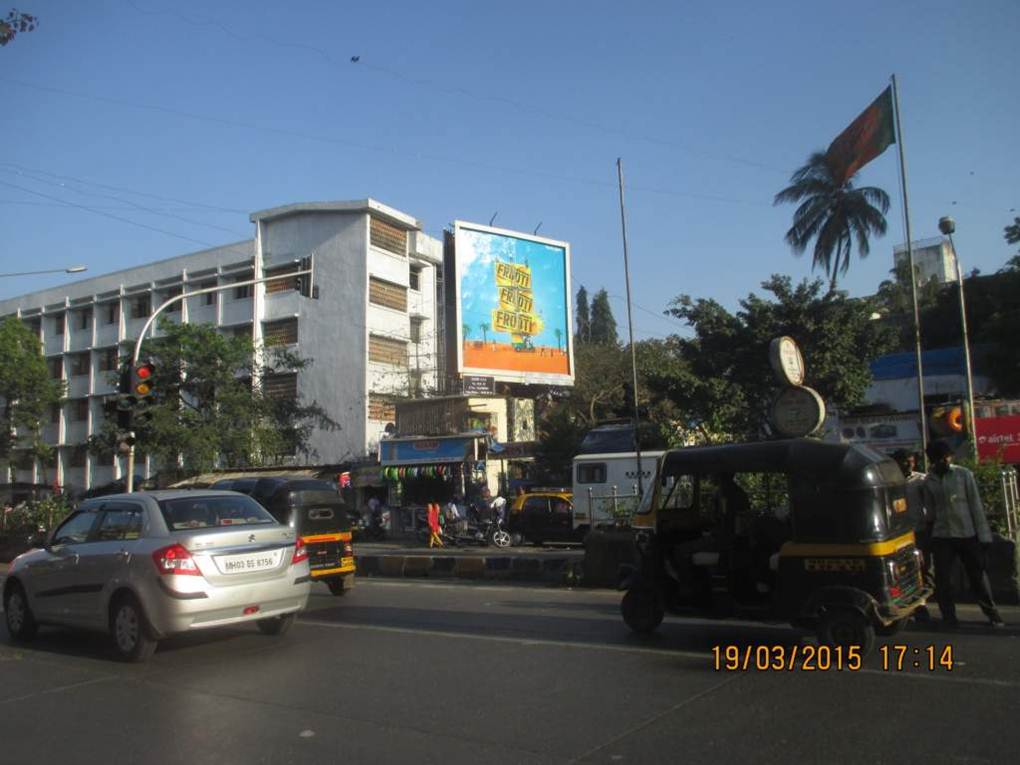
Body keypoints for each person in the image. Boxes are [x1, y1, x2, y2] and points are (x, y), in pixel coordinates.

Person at [922, 440, 1004, 628]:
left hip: (967, 533)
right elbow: (930, 511)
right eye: (938, 459)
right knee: (943, 580)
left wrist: (984, 536)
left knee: (977, 577)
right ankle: (949, 617)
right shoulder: (929, 481)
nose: (943, 461)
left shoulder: (963, 475)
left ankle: (993, 614)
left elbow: (975, 505)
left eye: (945, 458)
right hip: (943, 536)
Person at [892, 449, 933, 622]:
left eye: (911, 461)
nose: (909, 464)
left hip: (919, 531)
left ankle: (921, 604)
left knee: (923, 569)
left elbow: (930, 505)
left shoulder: (921, 480)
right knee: (904, 573)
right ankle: (908, 607)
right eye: (905, 461)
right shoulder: (892, 482)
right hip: (899, 535)